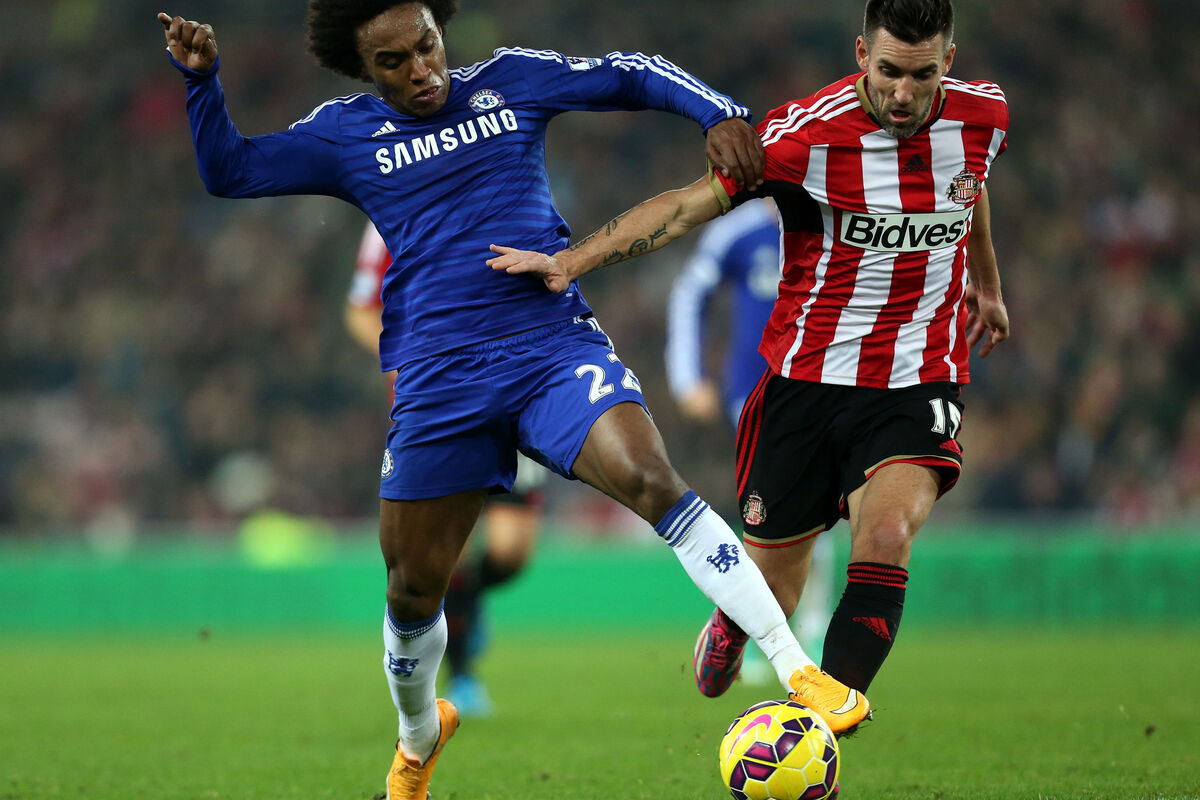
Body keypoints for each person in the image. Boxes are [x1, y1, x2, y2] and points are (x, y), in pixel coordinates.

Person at [157, 3, 868, 798]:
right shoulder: (344, 134)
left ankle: (798, 669)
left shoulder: (511, 81)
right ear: (364, 69)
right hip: (439, 378)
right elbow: (231, 171)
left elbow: (629, 73)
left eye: (426, 46)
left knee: (652, 479)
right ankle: (418, 739)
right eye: (393, 62)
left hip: (549, 349)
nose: (421, 70)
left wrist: (719, 113)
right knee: (412, 588)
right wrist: (201, 81)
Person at [490, 0, 1008, 716]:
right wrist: (570, 262)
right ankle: (736, 623)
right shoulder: (803, 136)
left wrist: (986, 283)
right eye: (889, 71)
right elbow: (684, 208)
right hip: (804, 384)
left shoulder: (985, 116)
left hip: (917, 376)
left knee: (887, 537)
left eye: (922, 76)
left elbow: (971, 186)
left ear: (947, 63)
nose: (902, 93)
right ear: (862, 55)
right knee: (774, 587)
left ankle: (820, 719)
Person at [346, 220, 547, 717]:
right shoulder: (390, 214)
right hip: (437, 404)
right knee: (451, 553)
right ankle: (463, 678)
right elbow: (360, 311)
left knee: (510, 552)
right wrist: (406, 357)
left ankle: (467, 609)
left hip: (511, 389)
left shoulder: (503, 195)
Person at [664, 198, 835, 684]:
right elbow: (689, 292)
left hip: (831, 383)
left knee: (821, 513)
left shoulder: (838, 213)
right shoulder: (738, 232)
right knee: (776, 513)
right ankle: (769, 633)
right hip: (758, 392)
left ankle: (804, 632)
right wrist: (687, 377)